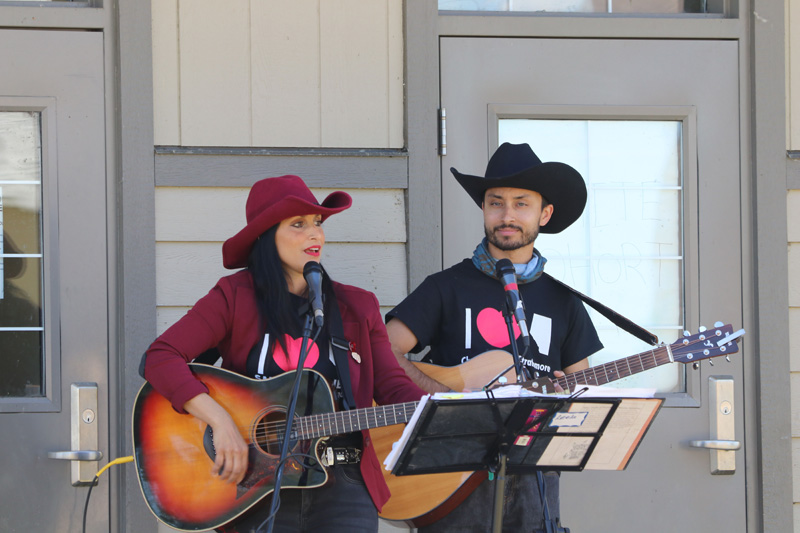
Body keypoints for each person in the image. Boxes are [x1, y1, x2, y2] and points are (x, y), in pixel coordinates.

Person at [143, 175, 426, 533]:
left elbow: (393, 386)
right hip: (254, 484)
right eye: (298, 225)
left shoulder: (357, 306)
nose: (315, 235)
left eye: (318, 224)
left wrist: (444, 409)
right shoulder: (235, 297)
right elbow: (161, 356)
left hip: (344, 485)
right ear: (266, 236)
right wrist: (220, 421)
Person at [385, 142, 603, 532]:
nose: (507, 215)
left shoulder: (565, 302)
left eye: (522, 204)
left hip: (533, 475)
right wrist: (443, 403)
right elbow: (384, 350)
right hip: (451, 472)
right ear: (484, 209)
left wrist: (558, 401)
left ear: (545, 213)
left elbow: (581, 391)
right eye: (495, 202)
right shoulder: (445, 287)